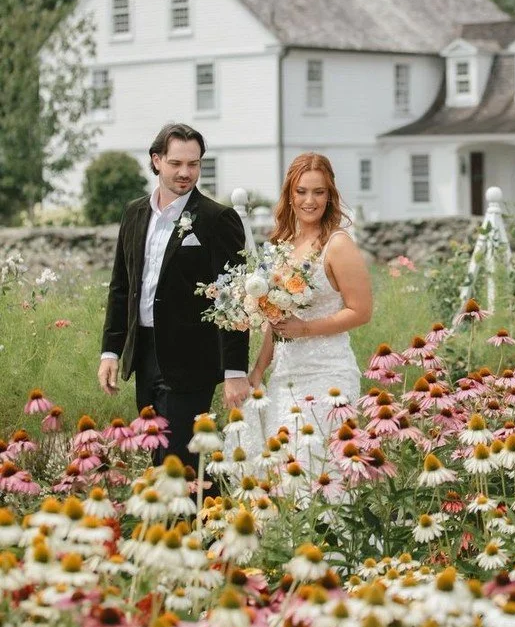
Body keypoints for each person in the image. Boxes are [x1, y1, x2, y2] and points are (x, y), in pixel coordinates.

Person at [97, 123, 250, 469]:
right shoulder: (134, 213)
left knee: (180, 462)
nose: (185, 173)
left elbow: (234, 298)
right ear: (156, 161)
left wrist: (235, 370)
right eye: (176, 163)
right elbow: (122, 287)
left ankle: (191, 521)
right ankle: (174, 523)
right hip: (144, 356)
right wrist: (111, 351)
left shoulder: (217, 219)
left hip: (192, 361)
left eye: (193, 165)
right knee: (158, 455)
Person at [243, 153, 372, 461]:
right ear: (290, 195)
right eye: (301, 191)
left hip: (328, 372)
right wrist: (259, 369)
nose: (309, 200)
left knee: (316, 465)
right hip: (284, 373)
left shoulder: (338, 245)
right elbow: (276, 319)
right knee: (281, 467)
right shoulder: (281, 244)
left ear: (330, 196)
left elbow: (361, 311)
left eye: (319, 192)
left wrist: (305, 329)